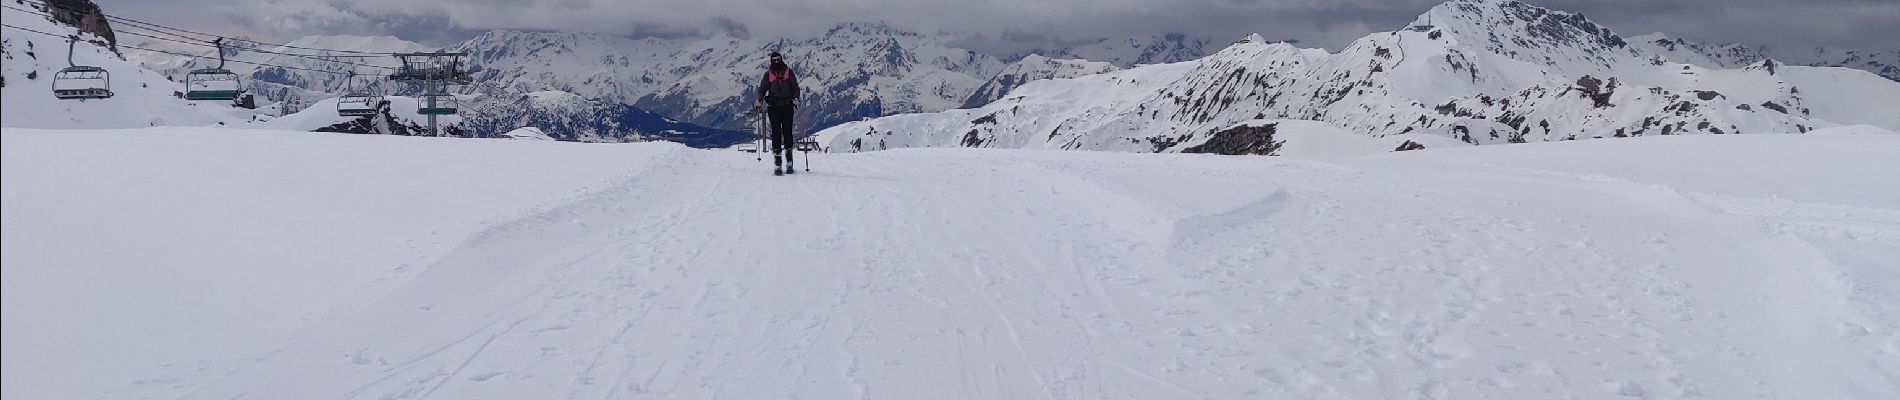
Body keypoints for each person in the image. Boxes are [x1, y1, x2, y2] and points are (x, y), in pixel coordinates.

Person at [756, 51, 801, 175]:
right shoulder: (768, 75)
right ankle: (778, 163)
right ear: (771, 61)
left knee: (787, 133)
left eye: (778, 59)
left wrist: (796, 97)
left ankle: (789, 162)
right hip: (774, 107)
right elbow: (762, 89)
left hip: (786, 106)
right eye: (774, 60)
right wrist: (758, 100)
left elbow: (795, 87)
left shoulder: (788, 72)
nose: (776, 62)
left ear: (781, 59)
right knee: (776, 133)